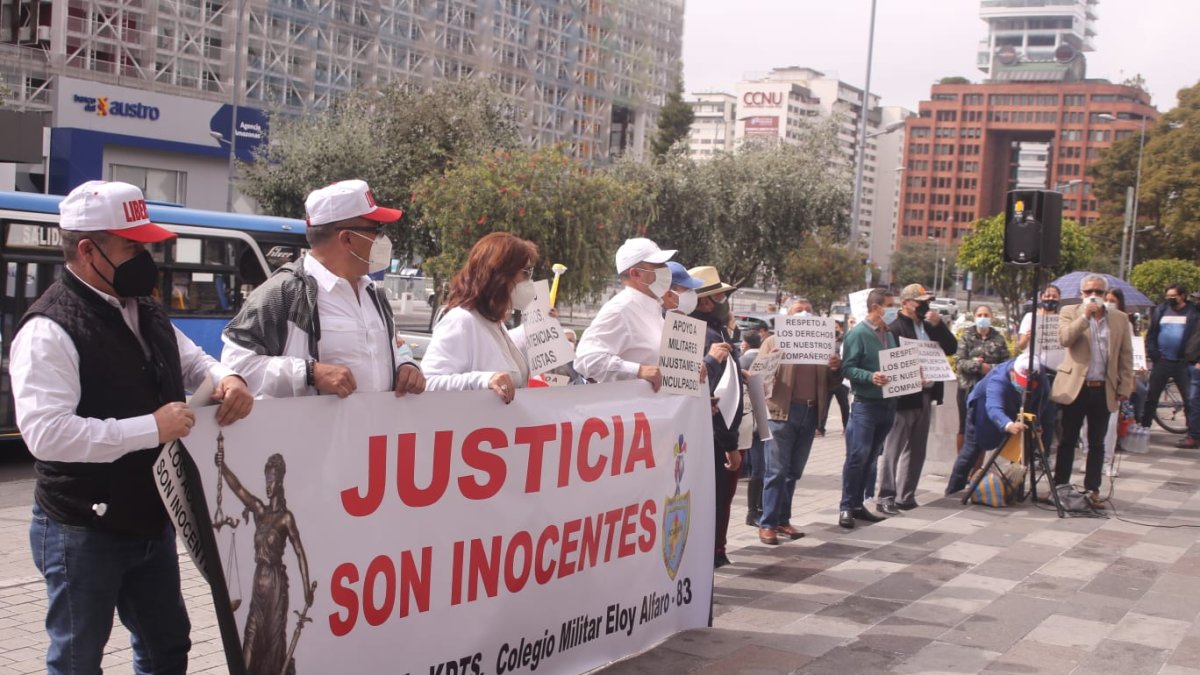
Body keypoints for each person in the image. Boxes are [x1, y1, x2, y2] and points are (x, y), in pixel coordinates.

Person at [12, 180, 255, 675]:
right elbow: (48, 435)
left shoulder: (144, 309)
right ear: (87, 249)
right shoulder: (48, 330)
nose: (145, 257)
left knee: (167, 649)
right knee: (78, 660)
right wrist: (152, 427)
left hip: (150, 519)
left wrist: (227, 378)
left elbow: (193, 361)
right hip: (83, 526)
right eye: (131, 246)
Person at [222, 179, 426, 399]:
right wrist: (309, 373)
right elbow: (236, 367)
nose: (383, 239)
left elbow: (387, 351)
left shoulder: (373, 293)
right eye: (376, 229)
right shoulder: (284, 292)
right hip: (307, 433)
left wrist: (405, 365)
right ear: (347, 238)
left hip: (370, 432)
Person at [215, 447, 313, 675]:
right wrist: (222, 465)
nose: (268, 485)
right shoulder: (260, 510)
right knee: (251, 634)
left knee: (273, 638)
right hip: (259, 582)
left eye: (272, 480)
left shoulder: (285, 518)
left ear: (280, 482)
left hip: (276, 586)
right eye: (266, 480)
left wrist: (307, 588)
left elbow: (299, 553)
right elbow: (238, 488)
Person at [757, 299, 841, 545]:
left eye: (808, 310)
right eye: (798, 310)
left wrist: (836, 368)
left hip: (810, 413)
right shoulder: (772, 342)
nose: (804, 314)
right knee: (776, 471)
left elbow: (833, 383)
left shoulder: (823, 345)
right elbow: (758, 378)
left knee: (793, 472)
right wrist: (771, 361)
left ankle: (783, 520)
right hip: (782, 414)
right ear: (787, 317)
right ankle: (768, 524)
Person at [420, 232, 539, 403]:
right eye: (526, 272)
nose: (530, 280)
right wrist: (484, 381)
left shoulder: (494, 323)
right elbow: (428, 383)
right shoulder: (461, 320)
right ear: (501, 275)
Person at [1051, 274, 1135, 507]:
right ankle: (1060, 486)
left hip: (1103, 388)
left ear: (1106, 295)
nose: (1093, 296)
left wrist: (1125, 385)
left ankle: (1092, 489)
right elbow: (1064, 339)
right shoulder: (1070, 312)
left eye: (1098, 292)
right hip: (1076, 388)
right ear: (1081, 294)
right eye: (1088, 292)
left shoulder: (1119, 319)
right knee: (1067, 439)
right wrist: (1085, 317)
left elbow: (1126, 355)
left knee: (1097, 442)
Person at [877, 284, 957, 515]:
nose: (924, 306)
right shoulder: (895, 328)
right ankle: (885, 496)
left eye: (926, 301)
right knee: (893, 448)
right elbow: (890, 361)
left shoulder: (930, 327)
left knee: (917, 448)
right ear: (906, 303)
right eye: (919, 301)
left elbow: (951, 347)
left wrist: (938, 325)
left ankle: (906, 495)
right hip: (904, 397)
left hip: (927, 394)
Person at [688, 265, 744, 567]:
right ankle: (711, 555)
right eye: (721, 296)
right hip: (713, 438)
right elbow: (714, 394)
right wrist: (729, 445)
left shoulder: (707, 330)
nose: (725, 301)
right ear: (708, 300)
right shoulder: (708, 335)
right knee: (715, 501)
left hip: (707, 435)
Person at [574, 237, 674, 389]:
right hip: (632, 410)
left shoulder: (653, 309)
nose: (666, 269)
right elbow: (587, 359)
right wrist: (638, 371)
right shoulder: (620, 310)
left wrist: (688, 374)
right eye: (658, 265)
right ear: (635, 274)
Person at [946, 353, 1052, 495]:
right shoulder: (999, 379)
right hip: (983, 408)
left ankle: (1014, 489)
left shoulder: (1040, 374)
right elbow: (993, 407)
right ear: (1013, 372)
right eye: (1021, 382)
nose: (1024, 387)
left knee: (1022, 451)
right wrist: (1008, 425)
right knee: (972, 450)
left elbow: (1043, 399)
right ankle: (953, 490)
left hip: (1017, 409)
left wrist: (1036, 421)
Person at [838, 288, 898, 528]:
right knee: (857, 456)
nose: (893, 311)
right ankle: (846, 507)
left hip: (888, 405)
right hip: (866, 405)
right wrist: (869, 376)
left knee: (871, 458)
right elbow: (847, 368)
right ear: (876, 308)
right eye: (890, 306)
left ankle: (857, 504)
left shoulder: (889, 335)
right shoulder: (858, 334)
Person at [1139, 283, 1200, 448]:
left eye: (1174, 296)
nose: (1170, 299)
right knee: (1151, 397)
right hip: (1162, 361)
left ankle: (1192, 433)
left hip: (1182, 362)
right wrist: (1154, 354)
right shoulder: (1161, 310)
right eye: (1168, 296)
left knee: (1189, 399)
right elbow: (1152, 334)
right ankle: (1144, 427)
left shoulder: (1193, 312)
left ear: (1182, 296)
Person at [954, 304, 1010, 451]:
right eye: (980, 315)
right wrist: (976, 365)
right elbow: (959, 361)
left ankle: (977, 471)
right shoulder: (966, 336)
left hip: (988, 390)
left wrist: (989, 369)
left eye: (986, 315)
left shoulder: (999, 338)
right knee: (964, 428)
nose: (983, 318)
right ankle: (962, 465)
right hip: (967, 387)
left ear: (991, 317)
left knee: (982, 428)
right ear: (974, 317)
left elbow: (1006, 365)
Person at [817, 320, 850, 437]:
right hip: (827, 378)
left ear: (840, 328)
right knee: (824, 403)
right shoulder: (823, 342)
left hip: (841, 379)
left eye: (836, 327)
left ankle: (847, 427)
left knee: (844, 405)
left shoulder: (845, 341)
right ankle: (820, 428)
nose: (834, 329)